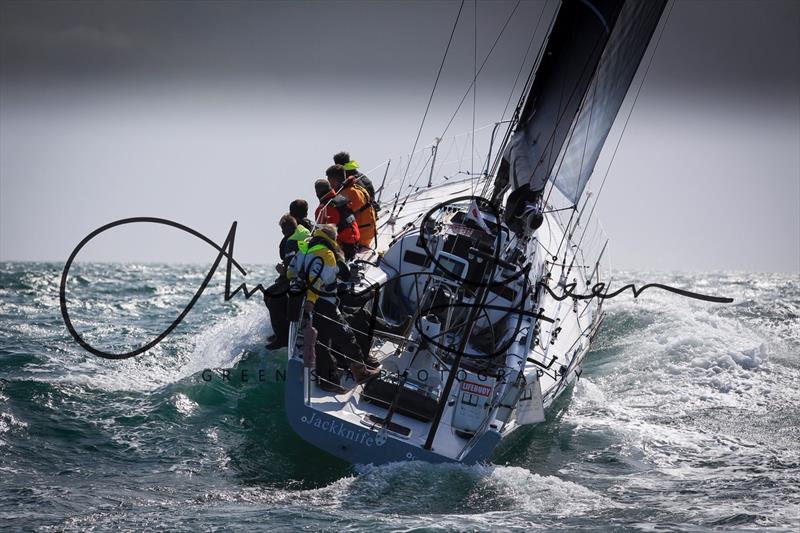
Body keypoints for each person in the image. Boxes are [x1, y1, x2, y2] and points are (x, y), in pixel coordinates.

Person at [287, 224, 380, 392]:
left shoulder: (305, 249)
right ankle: (361, 373)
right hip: (323, 304)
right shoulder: (327, 254)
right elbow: (316, 278)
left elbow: (290, 273)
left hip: (310, 305)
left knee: (322, 343)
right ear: (332, 238)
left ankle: (328, 381)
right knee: (346, 336)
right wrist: (312, 300)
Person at [265, 213, 310, 349]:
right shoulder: (304, 231)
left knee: (270, 295)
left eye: (282, 230)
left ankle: (282, 337)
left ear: (285, 230)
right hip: (307, 274)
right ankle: (281, 330)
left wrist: (282, 271)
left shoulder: (291, 241)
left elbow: (291, 270)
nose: (283, 233)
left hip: (299, 279)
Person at [326, 164, 376, 249]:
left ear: (335, 181)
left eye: (330, 183)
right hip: (369, 233)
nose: (330, 187)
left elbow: (347, 218)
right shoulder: (355, 188)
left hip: (362, 238)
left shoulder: (347, 194)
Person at [313, 178, 360, 260]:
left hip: (344, 248)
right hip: (356, 241)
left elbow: (323, 235)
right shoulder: (341, 199)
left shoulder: (323, 209)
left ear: (317, 193)